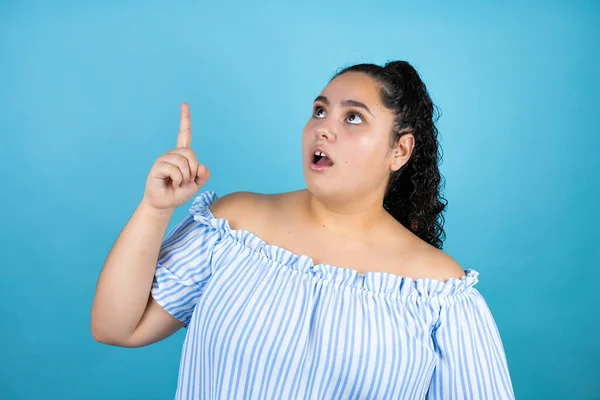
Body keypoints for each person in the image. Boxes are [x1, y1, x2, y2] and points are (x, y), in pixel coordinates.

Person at [91, 60, 515, 399]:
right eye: (319, 110)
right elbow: (115, 327)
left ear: (399, 151)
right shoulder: (232, 225)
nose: (323, 127)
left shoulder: (440, 295)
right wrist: (154, 208)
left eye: (353, 118)